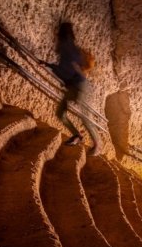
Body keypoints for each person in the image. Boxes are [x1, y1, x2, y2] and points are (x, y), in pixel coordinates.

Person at [40, 22, 101, 156]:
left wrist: (49, 66)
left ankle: (98, 145)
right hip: (74, 86)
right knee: (60, 112)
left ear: (60, 34)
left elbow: (65, 71)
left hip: (80, 87)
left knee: (85, 116)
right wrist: (48, 66)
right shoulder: (69, 46)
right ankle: (77, 136)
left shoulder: (66, 46)